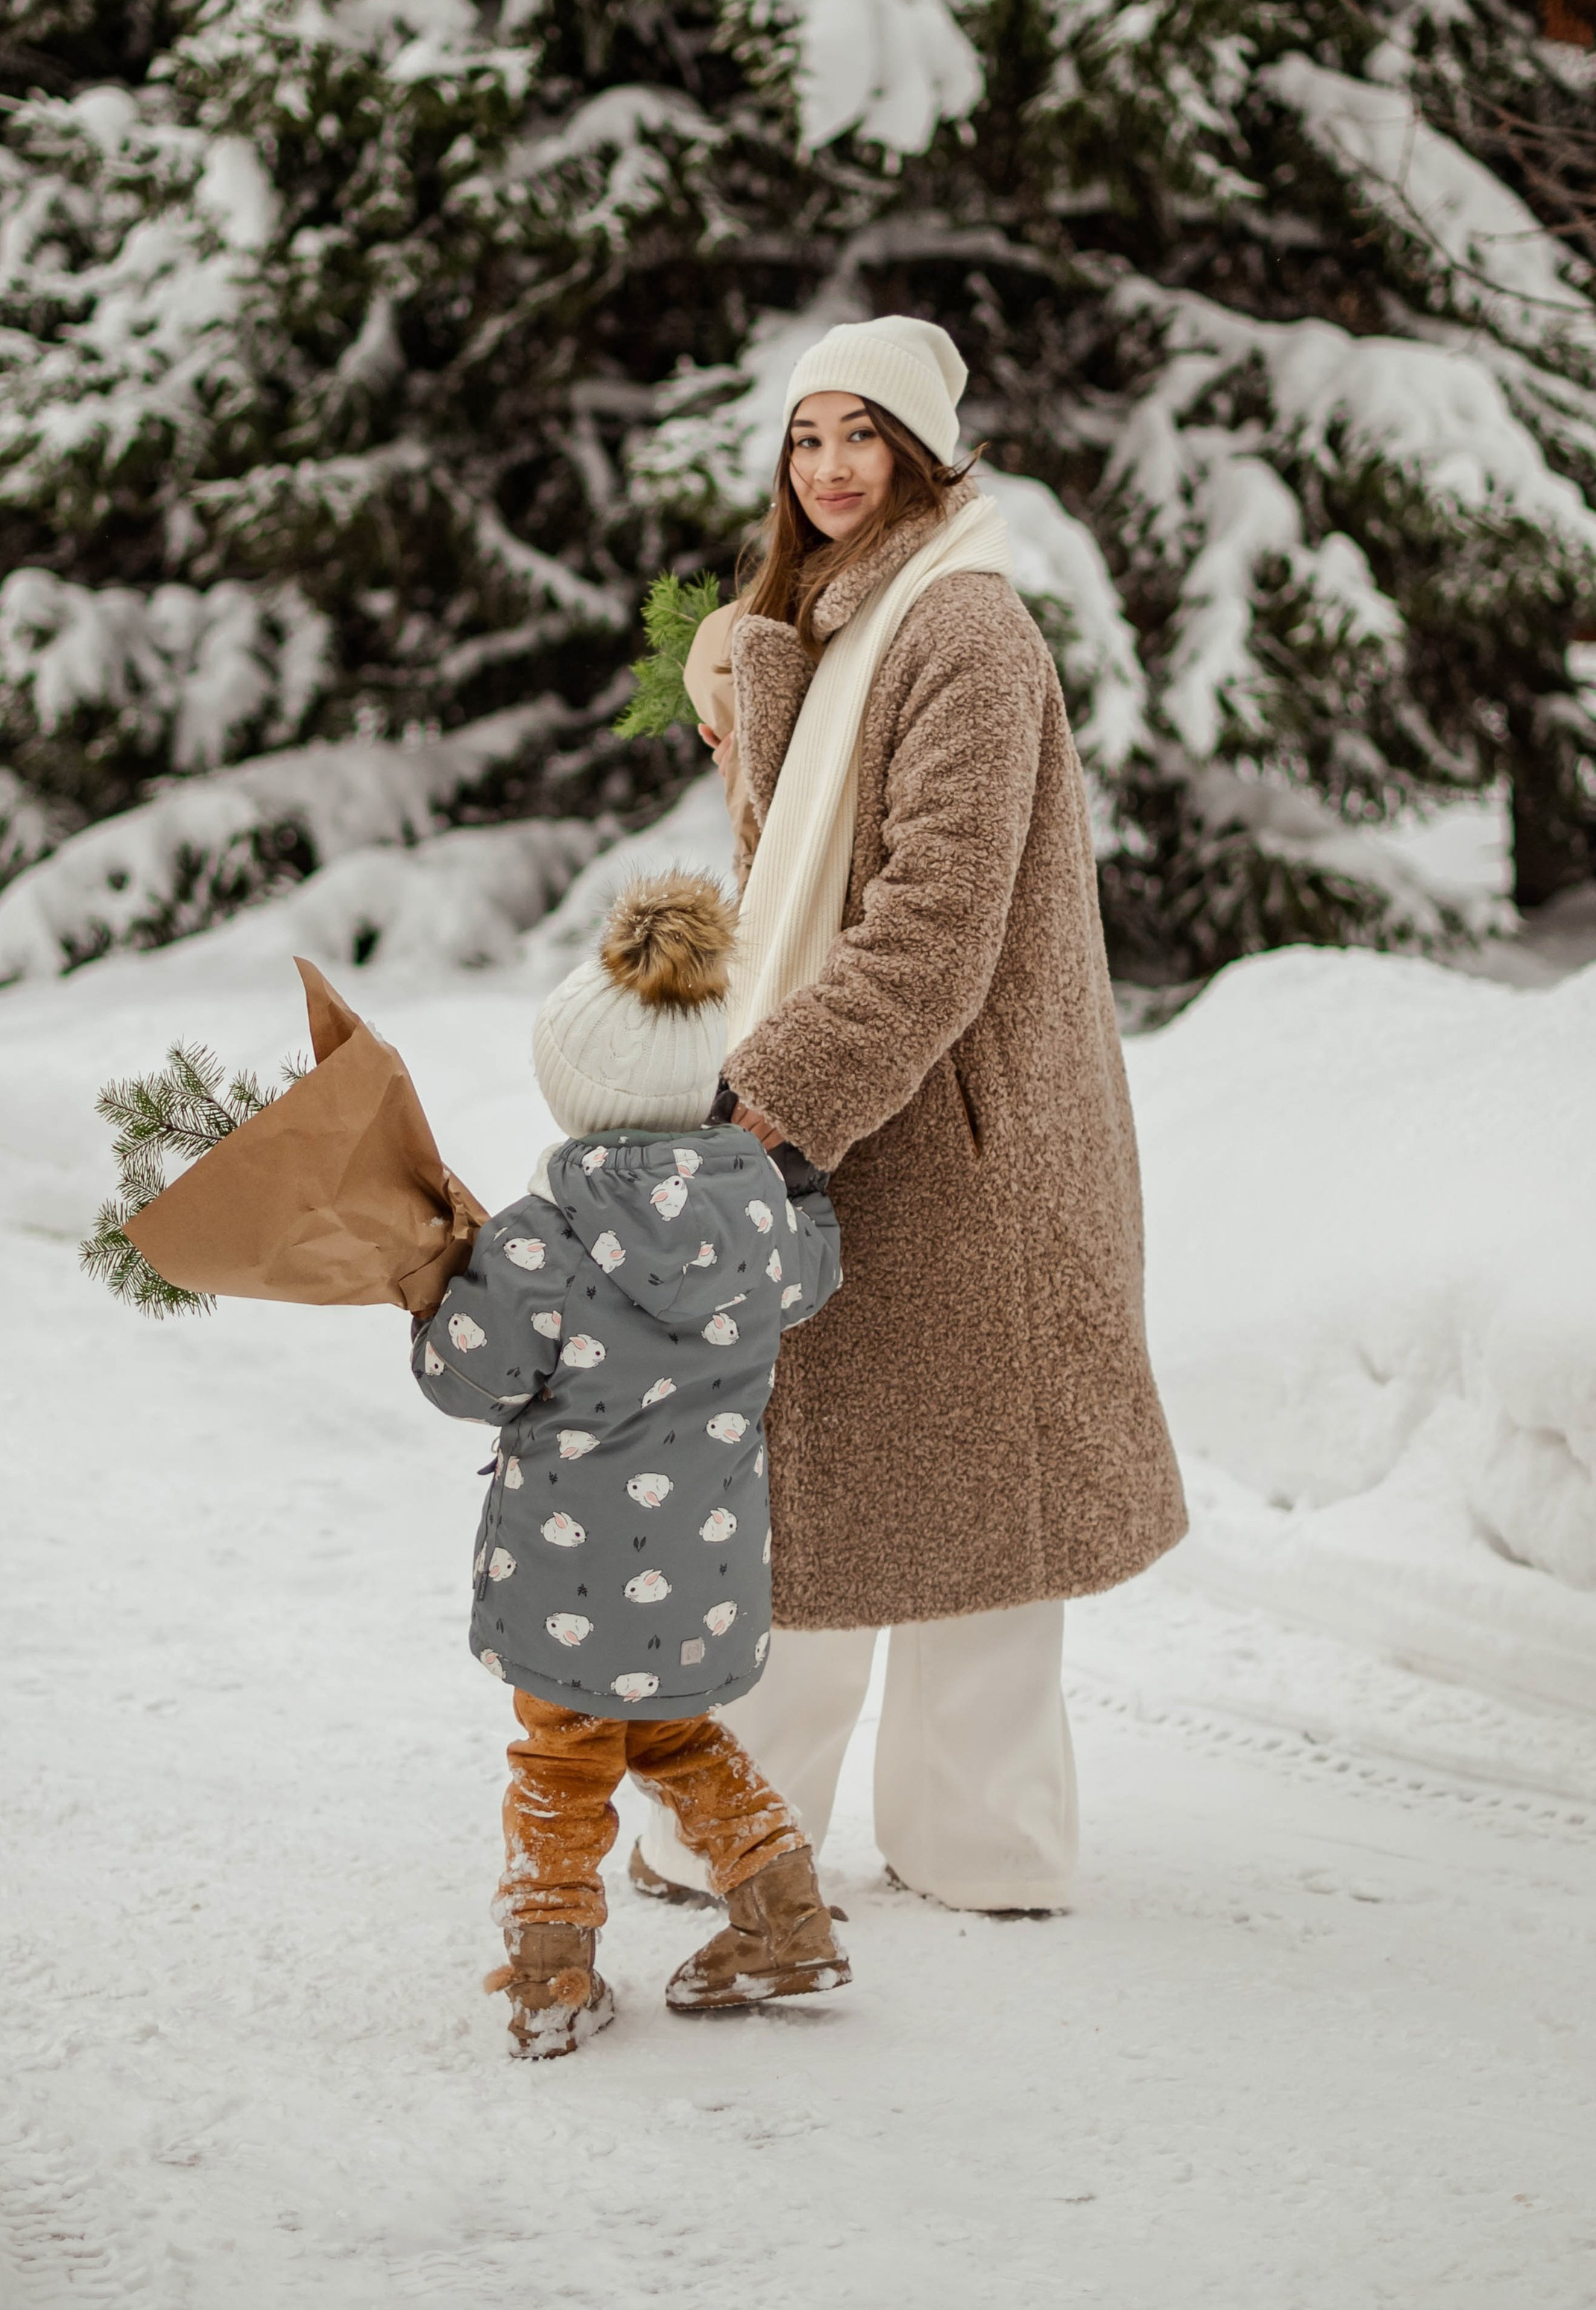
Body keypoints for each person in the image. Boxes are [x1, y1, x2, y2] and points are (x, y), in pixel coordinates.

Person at [634, 315, 1187, 1917]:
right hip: (865, 1122)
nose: (826, 468)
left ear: (924, 451)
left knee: (966, 1513)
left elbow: (933, 925)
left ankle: (979, 1846)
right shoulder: (837, 615)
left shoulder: (966, 634)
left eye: (860, 436)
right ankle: (748, 1824)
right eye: (804, 438)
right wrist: (737, 659)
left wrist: (771, 1100)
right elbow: (794, 874)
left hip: (960, 1137)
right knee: (810, 1494)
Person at [410, 871, 848, 2057]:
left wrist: (442, 1300)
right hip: (702, 1579)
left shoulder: (541, 1242)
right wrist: (801, 1193)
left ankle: (553, 1979)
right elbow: (815, 1268)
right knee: (680, 1738)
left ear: (575, 1098)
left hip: (567, 1586)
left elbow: (467, 1380)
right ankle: (785, 1916)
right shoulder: (757, 1212)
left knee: (561, 1761)